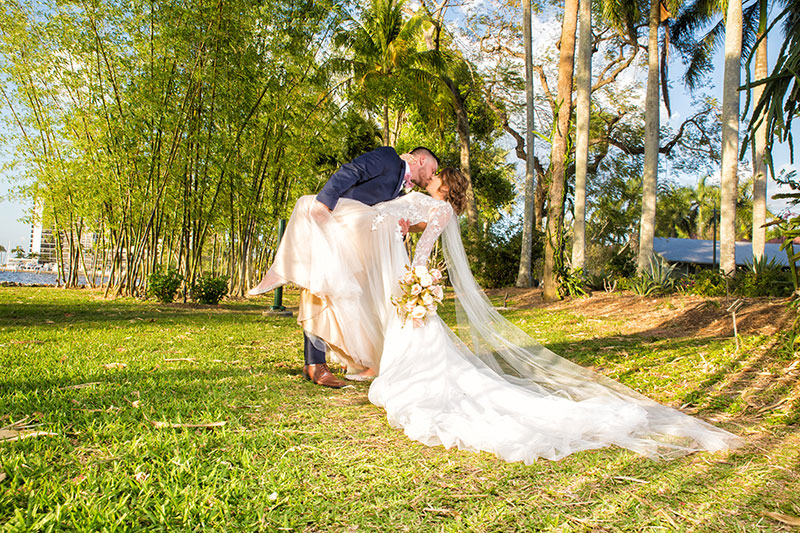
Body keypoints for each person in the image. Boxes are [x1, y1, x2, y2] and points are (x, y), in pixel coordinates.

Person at [255, 166, 743, 463]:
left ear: (447, 185)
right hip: (393, 271)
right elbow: (395, 228)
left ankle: (390, 371)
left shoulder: (439, 212)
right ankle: (369, 361)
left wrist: (415, 282)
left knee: (418, 346)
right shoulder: (417, 200)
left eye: (439, 176)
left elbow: (421, 252)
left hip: (406, 278)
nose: (433, 175)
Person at [249, 145, 439, 388]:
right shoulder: (388, 157)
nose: (433, 175)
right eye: (433, 169)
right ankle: (315, 363)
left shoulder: (401, 191)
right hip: (335, 222)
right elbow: (352, 171)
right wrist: (325, 202)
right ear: (422, 160)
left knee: (347, 298)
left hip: (357, 241)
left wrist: (399, 232)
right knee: (320, 282)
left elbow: (381, 217)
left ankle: (346, 359)